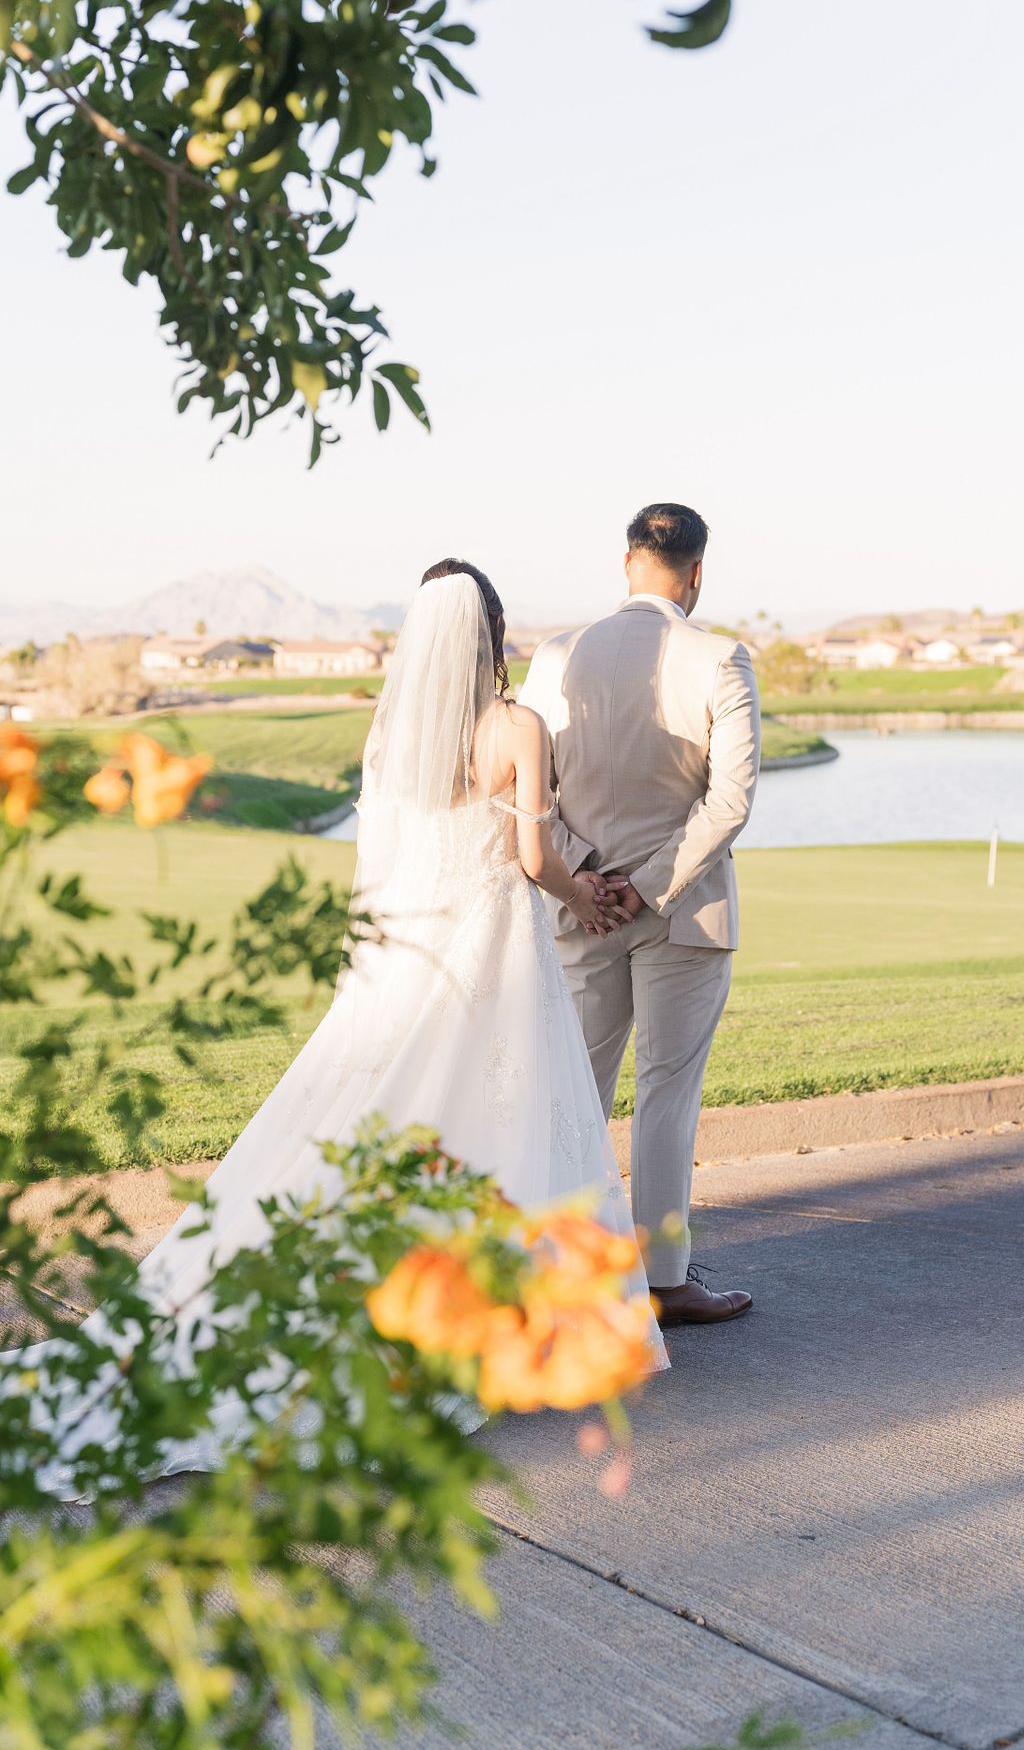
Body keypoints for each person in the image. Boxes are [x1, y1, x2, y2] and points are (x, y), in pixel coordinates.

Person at [12, 562, 667, 1495]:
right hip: (494, 955)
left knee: (390, 1128)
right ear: (490, 631)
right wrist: (590, 894)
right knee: (504, 1123)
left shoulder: (390, 733)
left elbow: (387, 863)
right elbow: (532, 859)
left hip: (409, 958)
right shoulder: (516, 727)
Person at [520, 503, 761, 1325]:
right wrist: (648, 884)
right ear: (696, 573)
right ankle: (664, 1281)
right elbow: (730, 801)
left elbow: (530, 796)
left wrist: (587, 875)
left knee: (577, 1091)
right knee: (667, 1092)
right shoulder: (721, 657)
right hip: (683, 911)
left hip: (582, 909)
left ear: (627, 564)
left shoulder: (556, 657)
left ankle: (567, 1273)